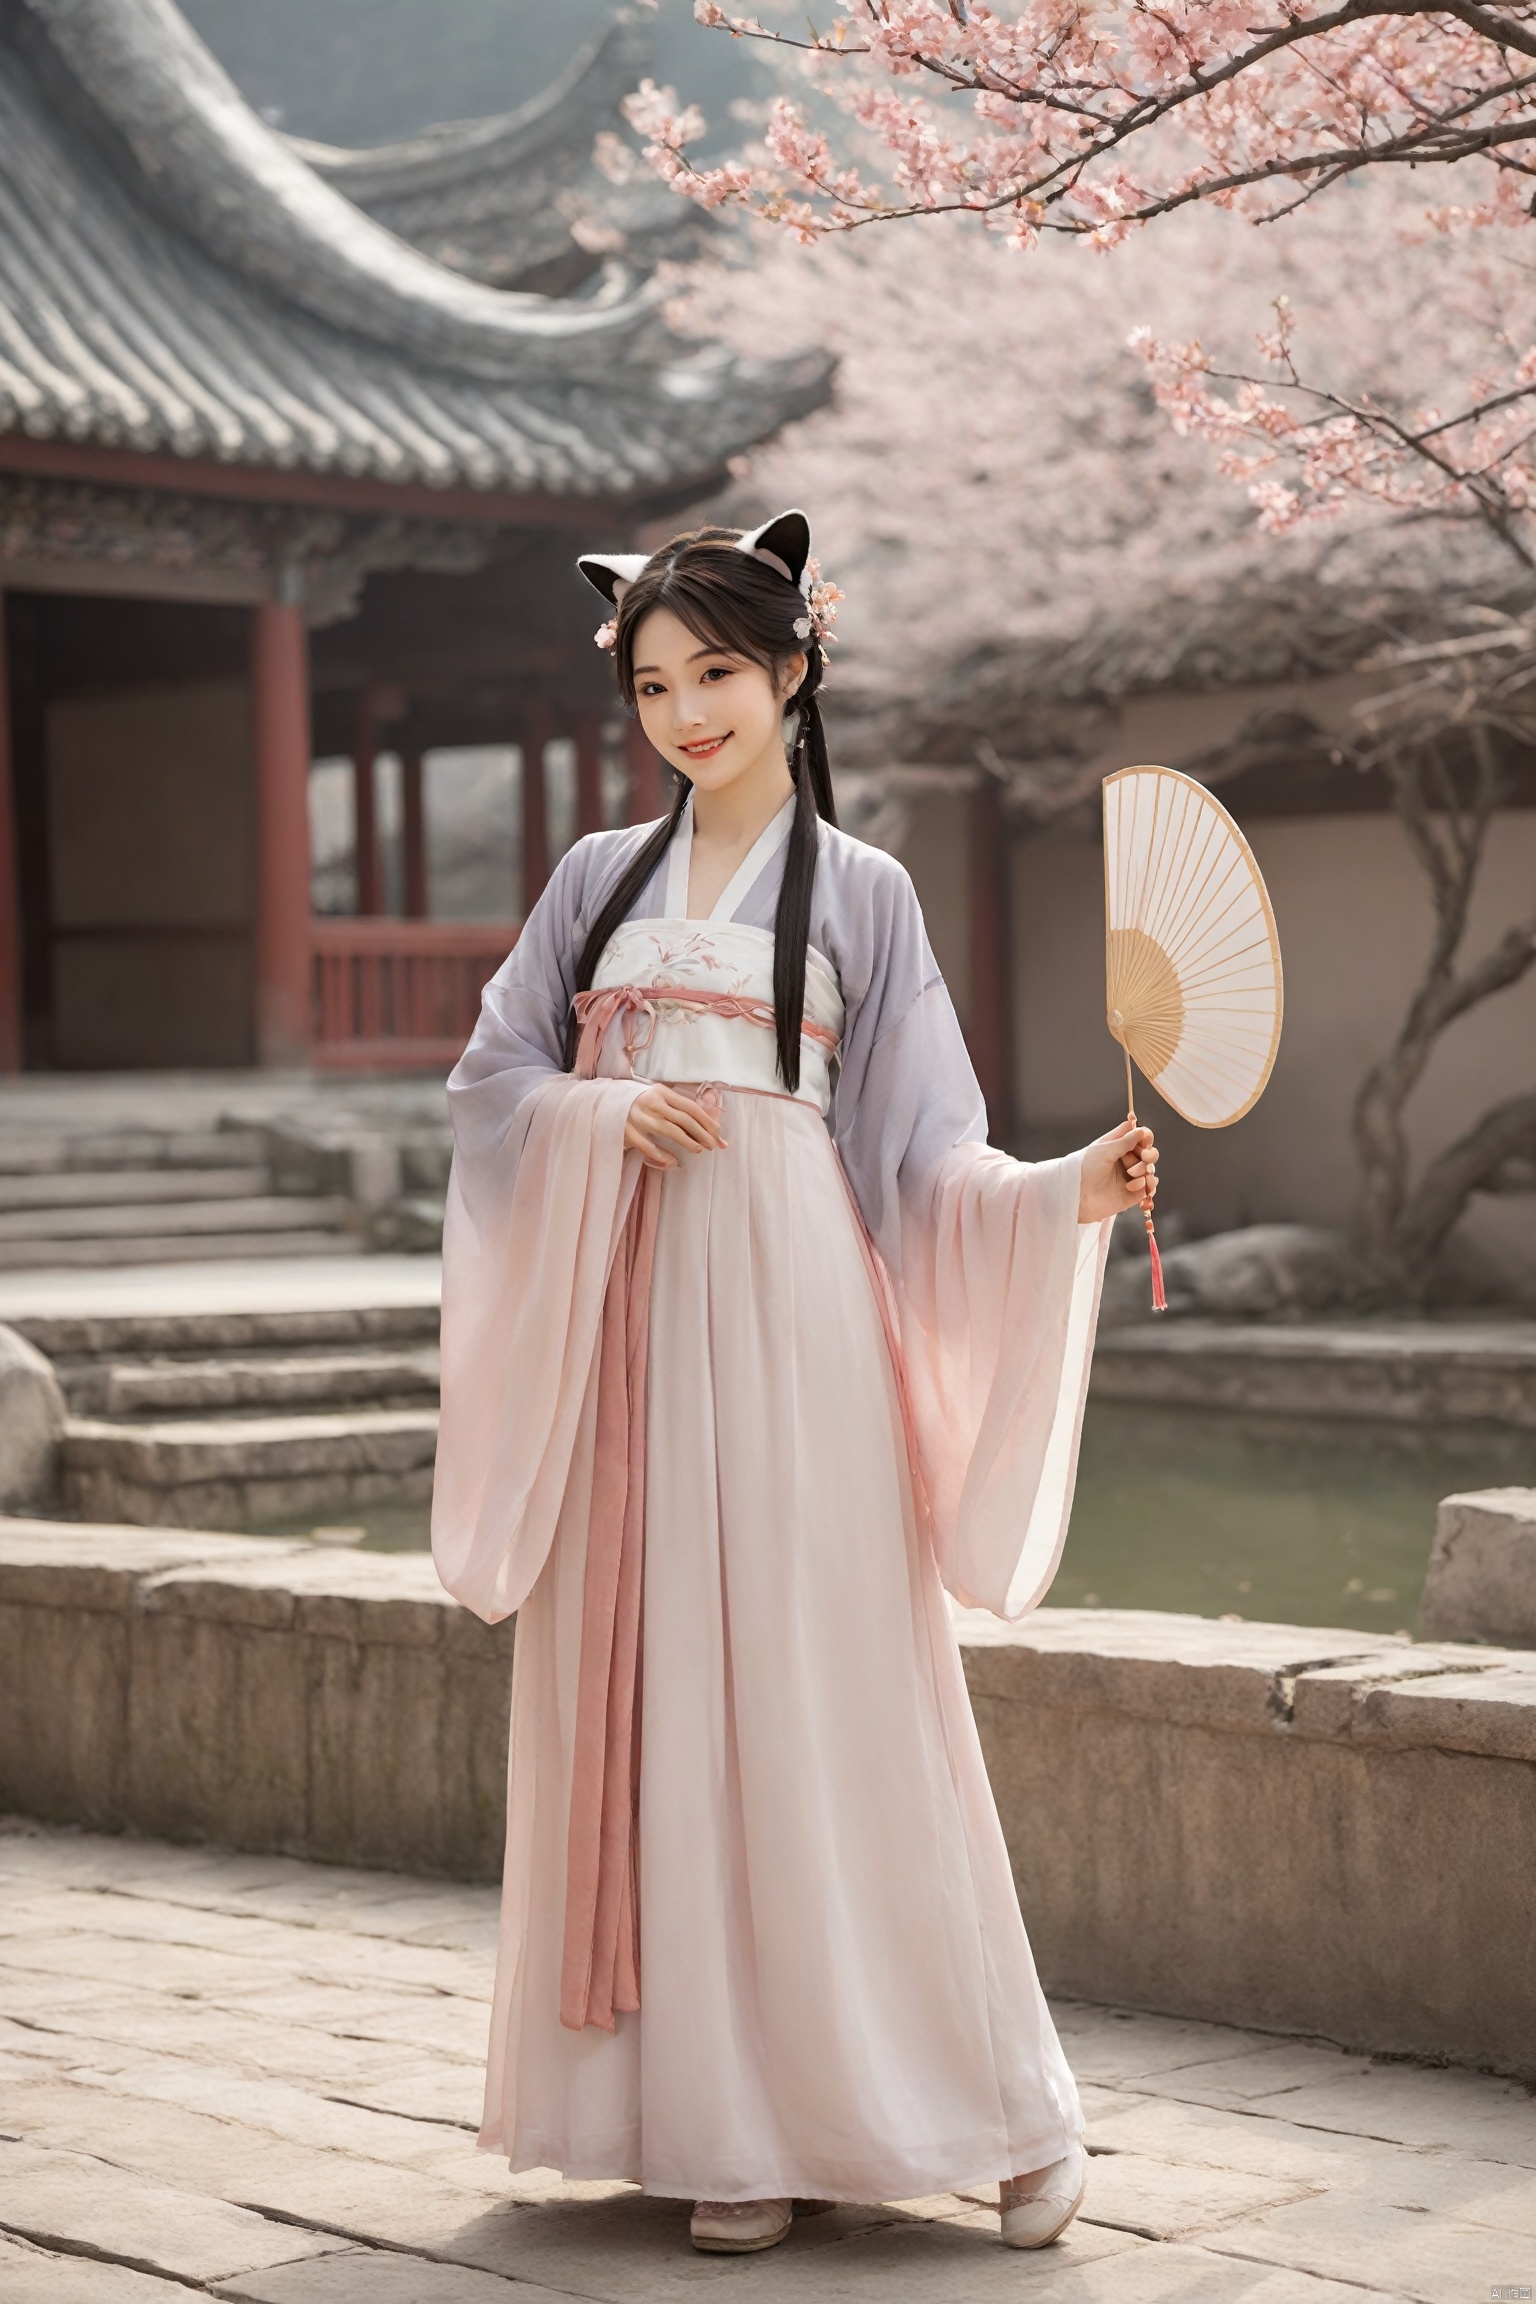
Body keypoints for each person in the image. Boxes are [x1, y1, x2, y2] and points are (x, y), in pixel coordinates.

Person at [432, 512, 1159, 2256]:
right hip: (629, 1334)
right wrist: (599, 1113)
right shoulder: (596, 882)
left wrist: (1067, 1191)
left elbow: (924, 1155)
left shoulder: (866, 893)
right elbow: (489, 1086)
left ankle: (1005, 2115)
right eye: (657, 683)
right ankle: (722, 2127)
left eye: (723, 676)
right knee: (665, 1698)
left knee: (848, 1711)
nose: (689, 713)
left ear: (794, 673)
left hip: (801, 1337)